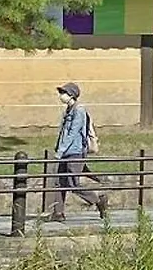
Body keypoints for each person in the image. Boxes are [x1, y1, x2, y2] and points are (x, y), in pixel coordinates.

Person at [46, 82, 109, 222]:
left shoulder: (79, 111)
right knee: (59, 183)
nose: (61, 96)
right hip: (65, 153)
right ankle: (58, 213)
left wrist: (60, 151)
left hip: (75, 152)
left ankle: (98, 200)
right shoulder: (68, 110)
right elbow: (63, 133)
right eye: (61, 93)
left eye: (64, 93)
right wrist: (58, 148)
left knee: (73, 184)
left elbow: (73, 133)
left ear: (72, 95)